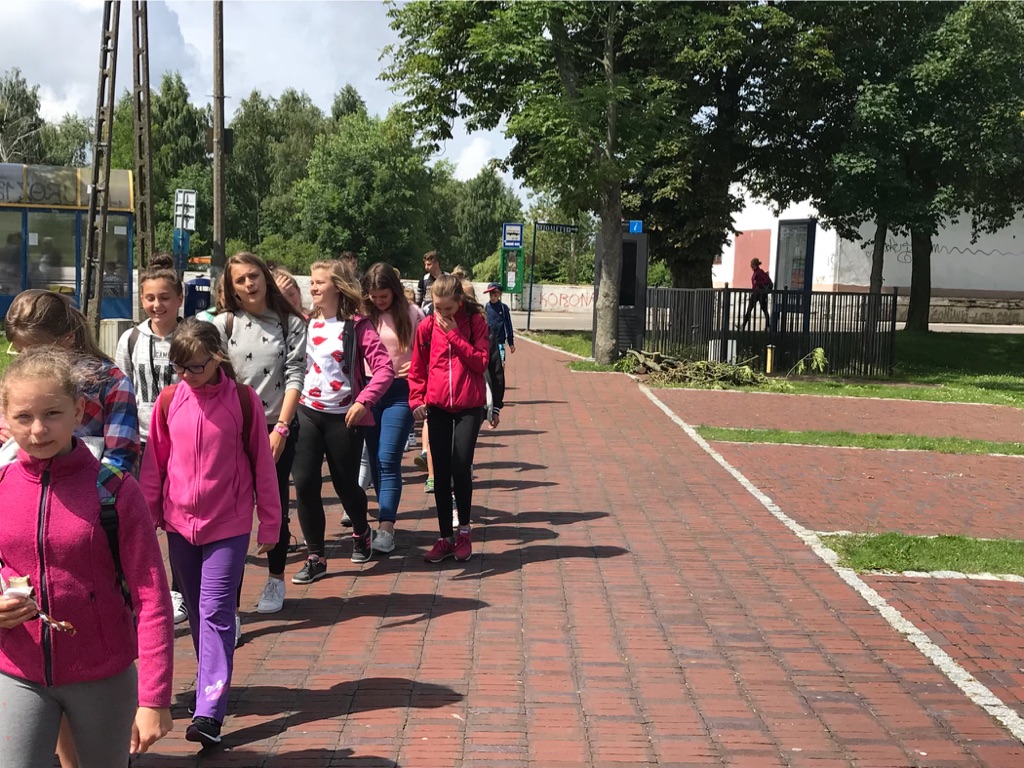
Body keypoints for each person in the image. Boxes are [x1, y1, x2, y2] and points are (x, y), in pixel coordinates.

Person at [0, 347, 173, 768]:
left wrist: (155, 697)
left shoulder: (114, 489)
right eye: (23, 416)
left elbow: (152, 597)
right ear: (5, 417)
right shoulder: (2, 484)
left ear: (78, 411)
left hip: (103, 675)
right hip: (17, 670)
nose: (38, 429)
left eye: (52, 414)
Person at [141, 318, 280, 747]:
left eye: (195, 367)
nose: (187, 375)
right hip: (179, 525)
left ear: (217, 358)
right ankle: (210, 686)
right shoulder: (169, 401)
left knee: (216, 610)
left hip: (229, 525)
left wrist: (271, 522)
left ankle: (209, 712)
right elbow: (154, 465)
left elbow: (262, 464)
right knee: (199, 612)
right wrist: (146, 519)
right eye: (180, 367)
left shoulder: (244, 400)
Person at [213, 252, 307, 621]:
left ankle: (275, 578)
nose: (249, 284)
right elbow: (216, 378)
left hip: (276, 426)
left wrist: (281, 428)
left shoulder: (290, 322)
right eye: (240, 280)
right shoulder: (224, 323)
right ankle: (230, 606)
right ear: (231, 287)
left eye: (254, 275)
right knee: (231, 514)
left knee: (274, 506)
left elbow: (296, 375)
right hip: (232, 429)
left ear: (265, 277)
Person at [292, 260, 394, 581]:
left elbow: (384, 368)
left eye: (320, 282)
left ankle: (362, 530)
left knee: (345, 486)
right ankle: (316, 557)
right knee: (305, 483)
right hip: (307, 412)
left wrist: (364, 401)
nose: (313, 287)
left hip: (345, 418)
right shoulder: (304, 323)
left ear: (337, 287)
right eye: (311, 282)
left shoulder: (357, 326)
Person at [114, 253, 188, 625]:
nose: (157, 305)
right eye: (149, 298)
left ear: (179, 299)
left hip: (183, 442)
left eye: (164, 297)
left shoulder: (191, 336)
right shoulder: (130, 339)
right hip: (141, 442)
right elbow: (121, 391)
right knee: (139, 518)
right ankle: (141, 589)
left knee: (178, 518)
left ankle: (179, 590)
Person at [408, 274, 489, 563]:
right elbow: (417, 368)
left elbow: (481, 362)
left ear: (460, 302)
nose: (442, 314)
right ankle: (445, 537)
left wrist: (455, 334)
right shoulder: (426, 327)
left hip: (469, 406)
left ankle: (464, 531)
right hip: (438, 405)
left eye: (448, 308)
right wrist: (416, 399)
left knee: (460, 465)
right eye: (437, 308)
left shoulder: (475, 322)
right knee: (440, 472)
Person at [361, 262, 424, 553]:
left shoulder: (413, 313)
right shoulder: (362, 315)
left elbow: (428, 348)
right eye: (373, 296)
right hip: (369, 391)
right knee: (374, 459)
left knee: (388, 458)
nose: (378, 301)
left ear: (395, 291)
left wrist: (417, 367)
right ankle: (382, 516)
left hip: (400, 392)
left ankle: (386, 527)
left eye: (383, 296)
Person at [741, 257, 773, 330]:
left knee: (763, 309)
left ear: (754, 265)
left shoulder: (760, 272)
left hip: (760, 293)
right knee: (750, 309)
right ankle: (743, 325)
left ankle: (767, 326)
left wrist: (758, 282)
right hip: (756, 293)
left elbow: (766, 280)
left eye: (751, 264)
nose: (750, 266)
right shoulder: (755, 272)